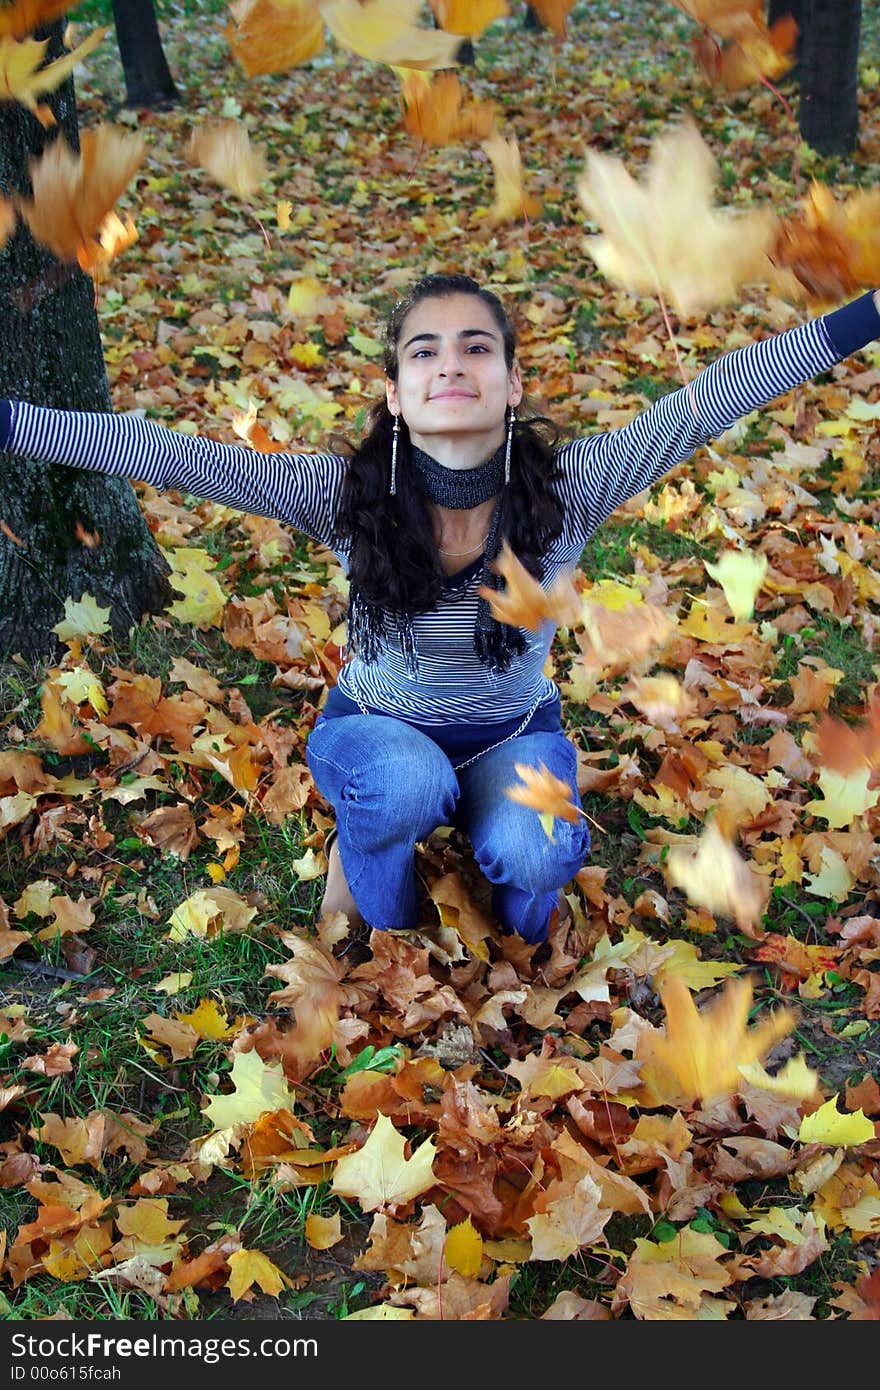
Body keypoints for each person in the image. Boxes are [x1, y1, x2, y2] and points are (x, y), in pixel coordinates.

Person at [2, 274, 879, 945]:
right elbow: (161, 451)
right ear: (393, 392)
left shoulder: (574, 489)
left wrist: (865, 315)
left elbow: (717, 395)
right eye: (423, 352)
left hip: (512, 734)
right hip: (379, 731)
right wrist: (9, 422)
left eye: (474, 349)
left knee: (539, 857)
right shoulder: (341, 493)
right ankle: (377, 894)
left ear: (511, 383)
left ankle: (502, 917)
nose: (449, 364)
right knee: (404, 790)